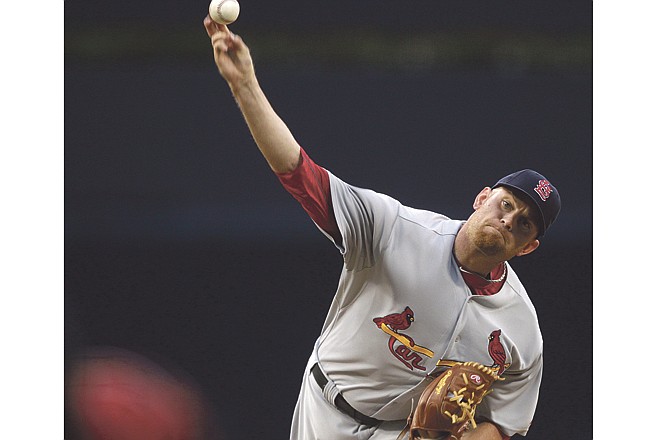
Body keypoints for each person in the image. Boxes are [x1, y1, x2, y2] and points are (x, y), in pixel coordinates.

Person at [203, 16, 561, 440]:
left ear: (527, 248)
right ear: (481, 198)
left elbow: (505, 425)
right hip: (326, 411)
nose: (507, 220)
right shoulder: (394, 229)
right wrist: (244, 86)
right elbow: (300, 174)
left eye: (523, 224)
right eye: (506, 204)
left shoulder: (522, 329)